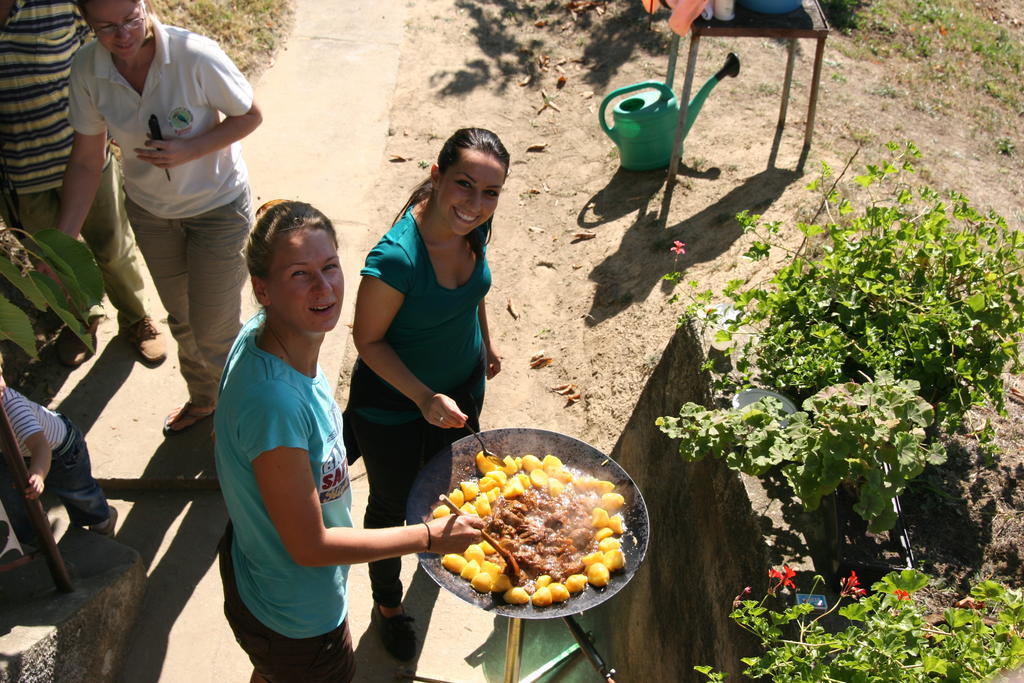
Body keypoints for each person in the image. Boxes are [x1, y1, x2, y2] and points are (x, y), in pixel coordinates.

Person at [214, 200, 483, 682]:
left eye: (330, 266)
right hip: (297, 613)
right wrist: (429, 537)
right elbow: (311, 546)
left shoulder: (269, 333)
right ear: (263, 288)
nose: (324, 288)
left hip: (257, 574)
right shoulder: (273, 403)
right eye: (300, 274)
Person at [57, 0, 262, 434]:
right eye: (106, 27)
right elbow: (86, 161)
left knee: (215, 329)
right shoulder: (88, 68)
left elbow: (250, 115)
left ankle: (252, 421)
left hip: (218, 207)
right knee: (183, 319)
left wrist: (191, 149)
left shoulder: (194, 55)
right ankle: (205, 399)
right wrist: (60, 244)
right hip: (151, 213)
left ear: (146, 5)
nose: (123, 35)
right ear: (86, 23)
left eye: (132, 18)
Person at [345, 127, 509, 660]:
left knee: (445, 484)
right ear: (436, 177)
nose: (476, 204)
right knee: (391, 504)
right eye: (464, 184)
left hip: (461, 387)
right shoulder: (396, 260)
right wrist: (422, 398)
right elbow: (366, 341)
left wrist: (485, 341)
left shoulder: (473, 228)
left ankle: (440, 549)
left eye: (490, 193)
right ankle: (388, 606)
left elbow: (474, 289)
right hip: (395, 403)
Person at [0, 0, 165, 367]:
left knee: (113, 246)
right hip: (20, 172)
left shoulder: (61, 4)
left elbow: (108, 50)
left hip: (85, 149)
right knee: (52, 260)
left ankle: (137, 318)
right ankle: (80, 322)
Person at [0, 362, 117, 547]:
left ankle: (101, 520)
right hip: (16, 454)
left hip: (61, 453)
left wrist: (38, 473)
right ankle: (35, 536)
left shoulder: (11, 407)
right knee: (12, 496)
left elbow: (40, 446)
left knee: (79, 493)